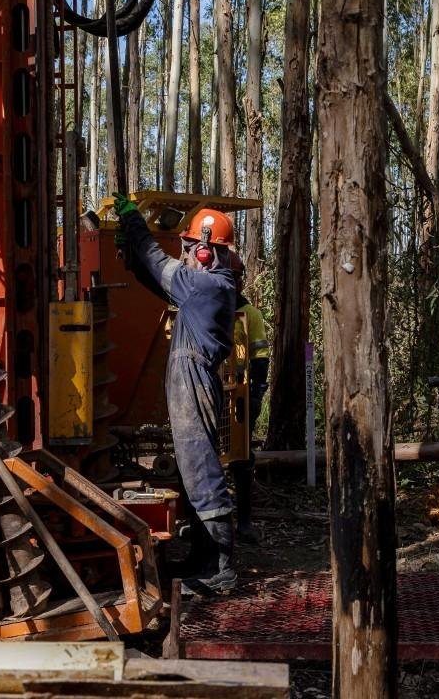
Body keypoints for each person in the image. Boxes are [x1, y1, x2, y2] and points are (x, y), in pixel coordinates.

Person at [113, 193, 241, 595]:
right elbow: (155, 277)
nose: (185, 254)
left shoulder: (207, 286)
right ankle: (204, 558)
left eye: (189, 247)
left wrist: (134, 223)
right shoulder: (207, 284)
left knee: (201, 470)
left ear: (204, 251)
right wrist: (131, 258)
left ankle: (221, 568)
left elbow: (158, 263)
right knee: (192, 472)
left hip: (195, 380)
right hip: (192, 378)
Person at [227, 254, 270, 543]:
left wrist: (255, 394)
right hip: (208, 393)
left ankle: (243, 522)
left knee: (241, 457)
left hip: (238, 395)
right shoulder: (205, 310)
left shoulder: (249, 315)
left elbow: (260, 357)